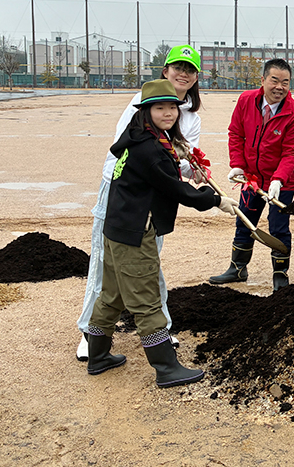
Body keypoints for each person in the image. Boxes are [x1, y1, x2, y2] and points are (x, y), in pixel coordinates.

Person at [86, 79, 236, 387]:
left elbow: (165, 171)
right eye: (160, 108)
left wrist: (183, 156)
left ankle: (97, 356)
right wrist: (216, 200)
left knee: (112, 296)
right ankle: (166, 368)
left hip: (116, 226)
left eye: (172, 108)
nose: (168, 113)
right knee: (146, 299)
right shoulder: (149, 148)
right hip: (134, 232)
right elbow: (174, 187)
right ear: (146, 111)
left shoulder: (139, 137)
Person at [76, 44, 205, 362]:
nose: (183, 73)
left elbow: (179, 167)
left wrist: (195, 169)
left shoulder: (190, 117)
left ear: (196, 76)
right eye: (177, 67)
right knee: (106, 263)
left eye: (189, 69)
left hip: (157, 197)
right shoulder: (142, 101)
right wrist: (201, 193)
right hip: (122, 191)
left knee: (148, 263)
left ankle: (158, 329)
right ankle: (88, 332)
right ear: (165, 70)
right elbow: (132, 151)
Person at [209, 59, 294, 291]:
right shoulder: (246, 100)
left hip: (282, 182)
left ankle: (280, 273)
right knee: (244, 219)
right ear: (262, 80)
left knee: (278, 227)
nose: (279, 87)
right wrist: (238, 166)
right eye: (274, 80)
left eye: (285, 82)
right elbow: (235, 133)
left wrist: (279, 179)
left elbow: (292, 151)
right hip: (251, 179)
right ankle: (238, 268)